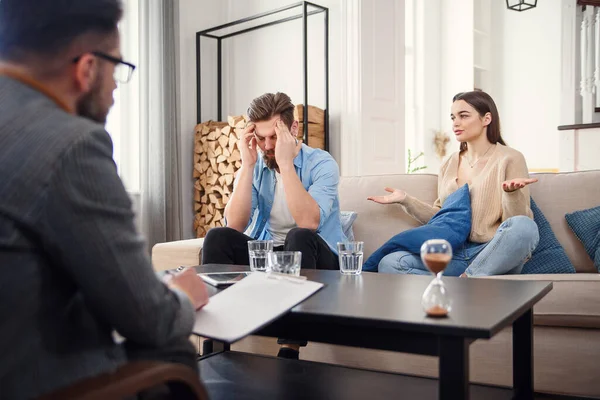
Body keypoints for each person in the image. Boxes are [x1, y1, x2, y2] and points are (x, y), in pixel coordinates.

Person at [0, 1, 208, 398]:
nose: (114, 88)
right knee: (171, 348)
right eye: (118, 69)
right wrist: (182, 295)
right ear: (88, 68)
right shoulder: (71, 144)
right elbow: (149, 319)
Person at [202, 92, 345, 358]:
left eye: (275, 137)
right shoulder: (257, 165)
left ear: (294, 129)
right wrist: (246, 166)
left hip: (317, 258)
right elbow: (234, 225)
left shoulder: (322, 163)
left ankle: (289, 348)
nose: (267, 145)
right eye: (260, 137)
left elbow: (309, 222)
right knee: (217, 237)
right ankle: (216, 341)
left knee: (298, 236)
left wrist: (286, 164)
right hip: (270, 255)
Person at [368, 90, 539, 277]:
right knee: (390, 263)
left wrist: (511, 194)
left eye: (463, 116)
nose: (455, 123)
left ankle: (468, 280)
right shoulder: (448, 164)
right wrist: (406, 200)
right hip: (454, 254)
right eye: (453, 117)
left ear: (486, 119)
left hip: (491, 252)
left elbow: (516, 221)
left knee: (525, 227)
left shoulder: (510, 158)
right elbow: (442, 217)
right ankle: (467, 286)